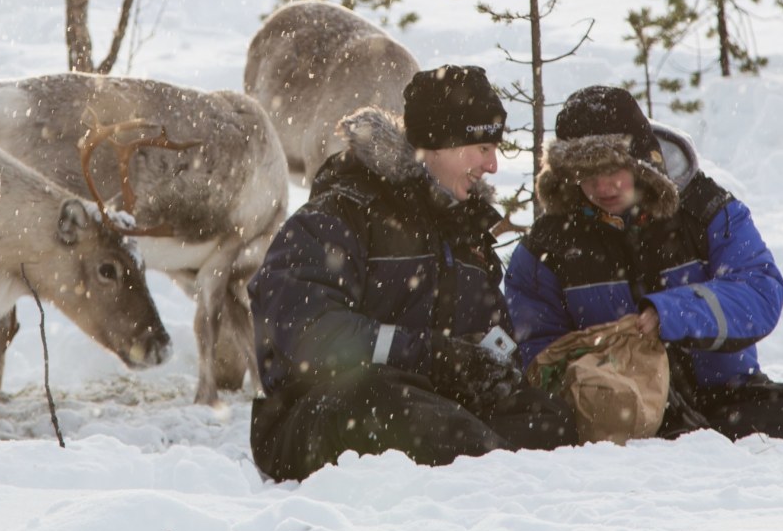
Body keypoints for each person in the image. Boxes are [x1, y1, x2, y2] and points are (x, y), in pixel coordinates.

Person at [248, 65, 579, 481]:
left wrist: (487, 365)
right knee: (387, 403)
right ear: (439, 143)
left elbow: (492, 336)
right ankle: (488, 468)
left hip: (434, 406)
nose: (492, 165)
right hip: (321, 410)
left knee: (550, 422)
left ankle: (486, 466)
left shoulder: (464, 230)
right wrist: (432, 356)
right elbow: (306, 333)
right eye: (482, 147)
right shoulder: (341, 214)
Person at [504, 85, 783, 442]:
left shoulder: (705, 210)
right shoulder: (547, 248)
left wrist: (669, 314)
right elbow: (539, 355)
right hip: (623, 411)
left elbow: (760, 291)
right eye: (586, 173)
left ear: (640, 161)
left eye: (612, 168)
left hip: (724, 396)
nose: (602, 186)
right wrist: (602, 361)